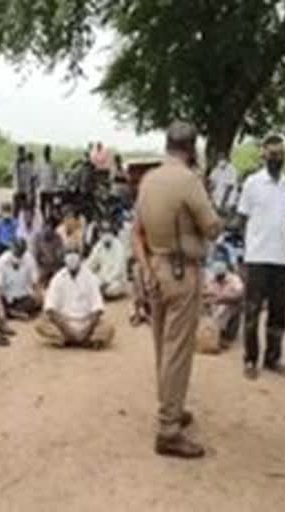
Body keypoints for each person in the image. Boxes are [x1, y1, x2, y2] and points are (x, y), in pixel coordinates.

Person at [132, 120, 220, 458]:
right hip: (182, 272)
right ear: (192, 147)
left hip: (154, 268)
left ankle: (172, 406)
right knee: (178, 350)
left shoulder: (149, 179)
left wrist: (145, 269)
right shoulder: (189, 181)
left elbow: (136, 231)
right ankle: (169, 427)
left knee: (162, 346)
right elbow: (211, 228)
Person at [237, 134, 285, 380]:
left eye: (280, 154)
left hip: (280, 258)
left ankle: (273, 358)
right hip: (258, 256)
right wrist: (246, 250)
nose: (276, 158)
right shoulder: (252, 183)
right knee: (252, 311)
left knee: (278, 313)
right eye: (272, 154)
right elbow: (242, 218)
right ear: (263, 155)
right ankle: (250, 359)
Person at [36, 248, 115, 349]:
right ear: (64, 257)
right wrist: (67, 330)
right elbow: (50, 309)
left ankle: (68, 341)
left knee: (108, 328)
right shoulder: (58, 278)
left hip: (86, 322)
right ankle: (84, 342)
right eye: (69, 252)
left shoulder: (90, 277)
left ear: (81, 257)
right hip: (64, 323)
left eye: (75, 252)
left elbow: (98, 309)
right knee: (40, 325)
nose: (72, 256)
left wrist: (86, 331)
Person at [0, 239, 42, 345]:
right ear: (12, 249)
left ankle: (10, 313)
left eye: (21, 253)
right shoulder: (1, 261)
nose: (19, 255)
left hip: (22, 297)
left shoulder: (29, 259)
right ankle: (9, 313)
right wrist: (1, 310)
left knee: (36, 302)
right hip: (4, 297)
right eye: (17, 252)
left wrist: (40, 297)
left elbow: (35, 283)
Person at [199, 260, 244, 354]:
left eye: (220, 276)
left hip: (229, 305)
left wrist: (223, 298)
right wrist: (209, 296)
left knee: (228, 308)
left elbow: (241, 294)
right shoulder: (210, 278)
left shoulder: (234, 279)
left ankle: (224, 335)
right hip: (212, 305)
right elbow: (203, 292)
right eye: (217, 276)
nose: (218, 278)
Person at [86, 221, 127, 300]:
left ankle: (99, 294)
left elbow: (118, 270)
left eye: (108, 232)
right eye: (103, 232)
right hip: (101, 279)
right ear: (99, 234)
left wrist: (106, 281)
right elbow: (90, 263)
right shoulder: (98, 246)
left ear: (112, 233)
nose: (106, 235)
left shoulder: (119, 246)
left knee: (112, 289)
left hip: (116, 280)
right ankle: (99, 293)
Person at [33, 216, 65, 287]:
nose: (47, 230)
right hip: (42, 268)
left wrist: (56, 261)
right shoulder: (37, 238)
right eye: (45, 227)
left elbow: (60, 256)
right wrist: (46, 262)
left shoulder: (58, 238)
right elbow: (36, 257)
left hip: (55, 267)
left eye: (50, 228)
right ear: (43, 227)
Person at [12, 145, 34, 218]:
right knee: (16, 210)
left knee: (25, 210)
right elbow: (13, 174)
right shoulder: (15, 163)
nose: (20, 154)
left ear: (24, 152)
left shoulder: (28, 164)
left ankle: (25, 226)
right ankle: (15, 226)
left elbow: (31, 177)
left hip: (25, 191)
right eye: (19, 152)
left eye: (22, 152)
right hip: (16, 190)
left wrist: (30, 192)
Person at [37, 145, 57, 221]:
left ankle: (49, 219)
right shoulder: (40, 162)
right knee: (42, 206)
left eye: (48, 151)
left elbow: (55, 175)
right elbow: (37, 174)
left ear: (50, 152)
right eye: (45, 151)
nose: (46, 152)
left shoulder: (53, 163)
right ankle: (44, 219)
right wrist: (38, 184)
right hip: (42, 188)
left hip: (51, 189)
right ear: (43, 152)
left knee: (50, 206)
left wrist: (54, 185)